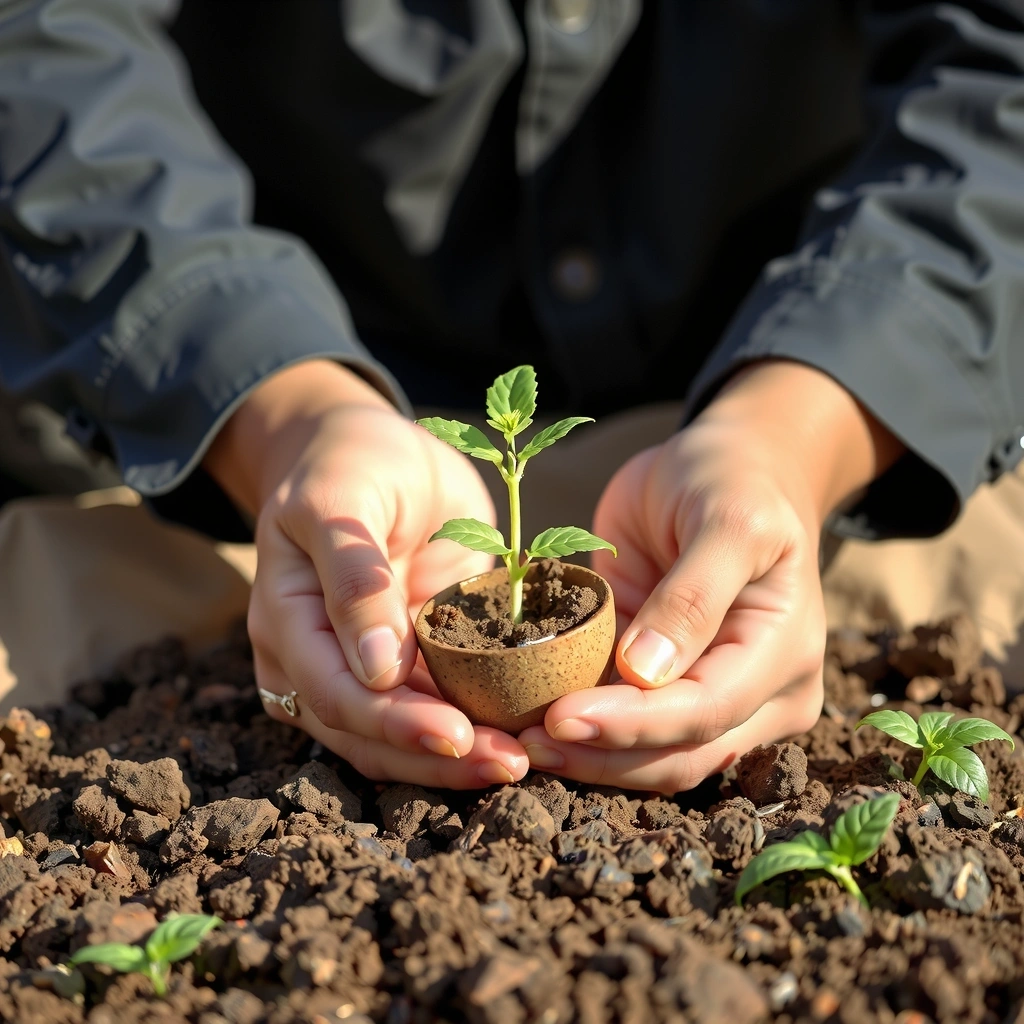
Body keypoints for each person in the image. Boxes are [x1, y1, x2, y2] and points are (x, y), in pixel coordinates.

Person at [1, 0, 1022, 793]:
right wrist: (285, 409)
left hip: (810, 373)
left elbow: (998, 74)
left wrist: (798, 432)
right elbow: (47, 45)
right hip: (238, 428)